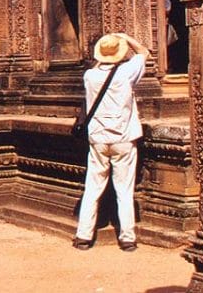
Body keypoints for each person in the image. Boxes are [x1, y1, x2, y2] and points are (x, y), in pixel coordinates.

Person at [72, 32, 149, 252]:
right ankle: (127, 238)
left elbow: (96, 66)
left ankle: (83, 236)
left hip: (98, 138)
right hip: (123, 137)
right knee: (124, 190)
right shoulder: (126, 72)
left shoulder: (90, 76)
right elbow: (144, 52)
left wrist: (104, 54)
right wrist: (125, 37)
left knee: (93, 188)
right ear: (119, 55)